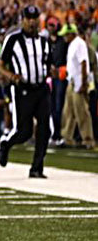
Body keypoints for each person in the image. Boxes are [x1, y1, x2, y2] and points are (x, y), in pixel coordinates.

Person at [0, 5, 53, 178]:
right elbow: (0, 65)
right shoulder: (13, 39)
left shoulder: (44, 41)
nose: (32, 22)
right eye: (29, 18)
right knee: (24, 131)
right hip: (22, 89)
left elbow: (47, 64)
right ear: (23, 20)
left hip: (41, 89)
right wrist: (12, 77)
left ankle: (37, 168)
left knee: (44, 129)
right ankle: (5, 144)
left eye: (35, 18)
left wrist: (53, 72)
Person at [60, 24, 95, 149]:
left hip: (79, 82)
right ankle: (67, 138)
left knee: (82, 112)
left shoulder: (79, 44)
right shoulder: (73, 44)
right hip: (72, 81)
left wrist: (84, 83)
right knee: (68, 111)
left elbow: (84, 63)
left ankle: (88, 139)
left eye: (65, 35)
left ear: (71, 33)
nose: (64, 37)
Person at [46, 17, 67, 146]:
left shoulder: (62, 42)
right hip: (49, 77)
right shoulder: (45, 42)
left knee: (59, 106)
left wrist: (59, 69)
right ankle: (54, 133)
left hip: (59, 76)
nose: (51, 27)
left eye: (53, 25)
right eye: (49, 25)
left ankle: (58, 133)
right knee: (51, 106)